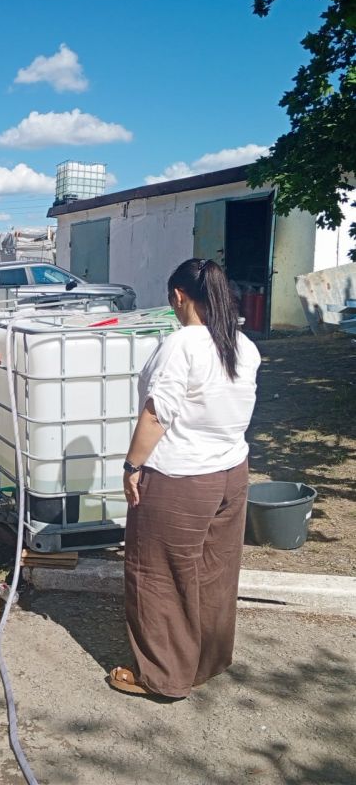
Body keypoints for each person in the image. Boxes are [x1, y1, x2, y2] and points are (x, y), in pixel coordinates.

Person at [108, 258, 261, 699]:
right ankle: (206, 659)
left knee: (157, 574)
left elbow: (158, 413)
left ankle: (163, 675)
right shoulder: (242, 345)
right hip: (231, 471)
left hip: (181, 477)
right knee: (214, 569)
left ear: (178, 296)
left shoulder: (182, 344)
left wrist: (132, 465)